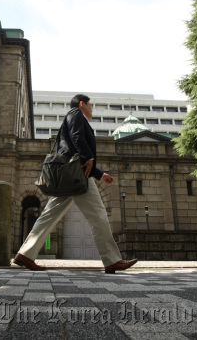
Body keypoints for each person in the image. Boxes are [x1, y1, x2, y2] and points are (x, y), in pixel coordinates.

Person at [14, 94, 138, 274]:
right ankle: (112, 260)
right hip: (77, 174)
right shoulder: (75, 114)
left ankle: (25, 254)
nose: (92, 109)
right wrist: (89, 158)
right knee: (98, 214)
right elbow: (78, 137)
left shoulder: (73, 116)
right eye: (91, 105)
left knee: (48, 215)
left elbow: (73, 146)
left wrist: (99, 174)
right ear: (82, 104)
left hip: (69, 174)